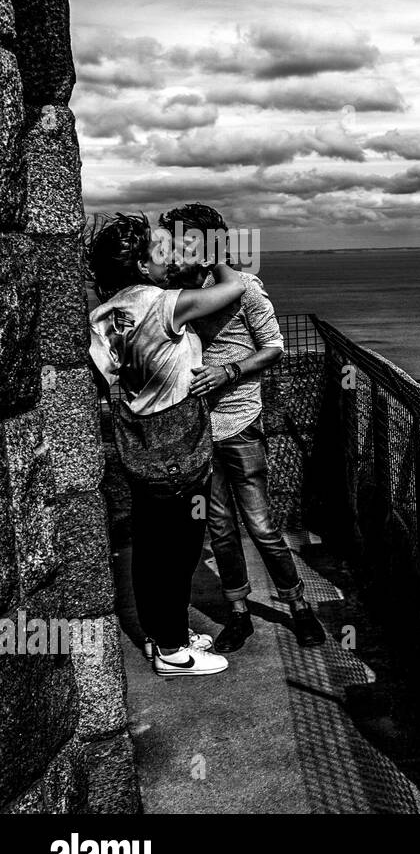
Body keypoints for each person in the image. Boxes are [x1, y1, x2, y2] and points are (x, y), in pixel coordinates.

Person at [159, 203, 326, 651]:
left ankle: (298, 607)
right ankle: (238, 613)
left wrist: (229, 371)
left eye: (183, 239)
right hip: (195, 430)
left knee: (260, 523)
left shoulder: (245, 288)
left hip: (239, 421)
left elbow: (274, 348)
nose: (173, 249)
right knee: (220, 527)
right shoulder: (174, 290)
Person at [87, 213, 244, 677]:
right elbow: (232, 290)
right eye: (161, 251)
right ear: (140, 264)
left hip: (138, 442)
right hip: (178, 445)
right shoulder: (163, 303)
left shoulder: (105, 314)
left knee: (150, 549)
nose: (172, 255)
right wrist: (219, 260)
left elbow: (106, 374)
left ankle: (162, 634)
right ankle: (175, 653)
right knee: (180, 552)